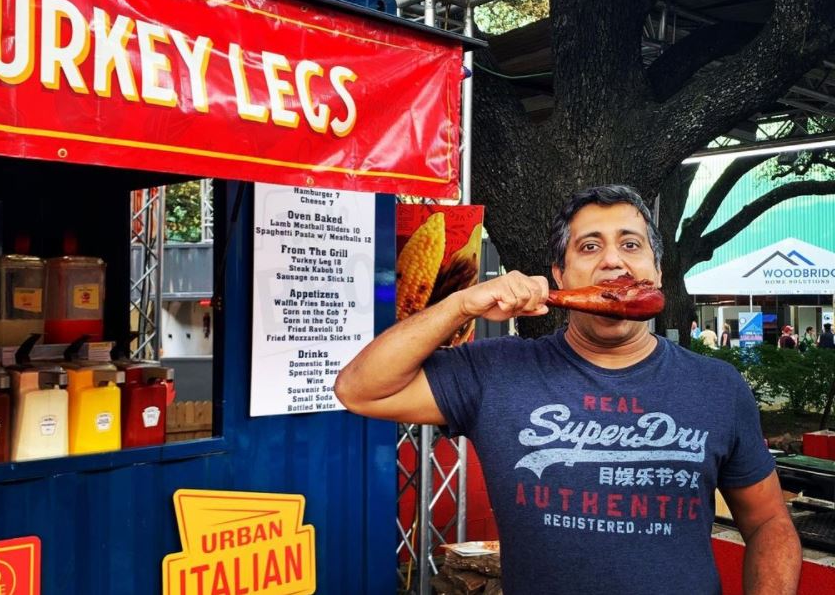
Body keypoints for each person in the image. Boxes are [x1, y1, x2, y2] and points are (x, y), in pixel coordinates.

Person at [336, 184, 800, 595]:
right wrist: (461, 304)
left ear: (657, 272)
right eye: (590, 246)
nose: (613, 260)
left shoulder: (718, 386)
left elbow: (767, 523)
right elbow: (360, 390)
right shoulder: (497, 370)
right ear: (559, 275)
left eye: (631, 245)